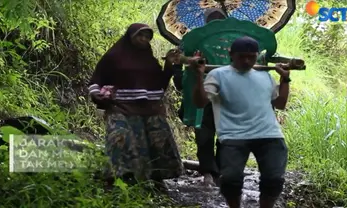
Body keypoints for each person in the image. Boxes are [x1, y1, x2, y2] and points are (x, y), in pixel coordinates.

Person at [191, 36, 290, 208]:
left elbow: (280, 104)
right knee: (230, 180)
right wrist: (199, 76)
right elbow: (200, 102)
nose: (246, 60)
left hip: (269, 133)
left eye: (251, 57)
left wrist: (285, 80)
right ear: (231, 55)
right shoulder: (218, 75)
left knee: (274, 179)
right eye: (241, 56)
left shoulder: (265, 76)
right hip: (233, 136)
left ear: (257, 56)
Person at [87, 23, 184, 191]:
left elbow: (160, 86)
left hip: (150, 109)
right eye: (140, 35)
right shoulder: (114, 56)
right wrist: (97, 94)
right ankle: (114, 179)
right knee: (119, 138)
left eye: (147, 37)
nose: (144, 39)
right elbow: (96, 80)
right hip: (121, 107)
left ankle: (155, 179)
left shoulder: (149, 60)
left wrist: (169, 64)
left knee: (157, 141)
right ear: (130, 36)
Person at [172, 8, 227, 187]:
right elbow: (178, 59)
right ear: (206, 21)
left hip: (226, 94)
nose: (216, 22)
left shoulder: (233, 41)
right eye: (212, 18)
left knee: (226, 134)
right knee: (203, 134)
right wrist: (184, 66)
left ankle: (220, 170)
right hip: (200, 91)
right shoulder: (194, 40)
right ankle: (208, 172)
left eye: (220, 18)